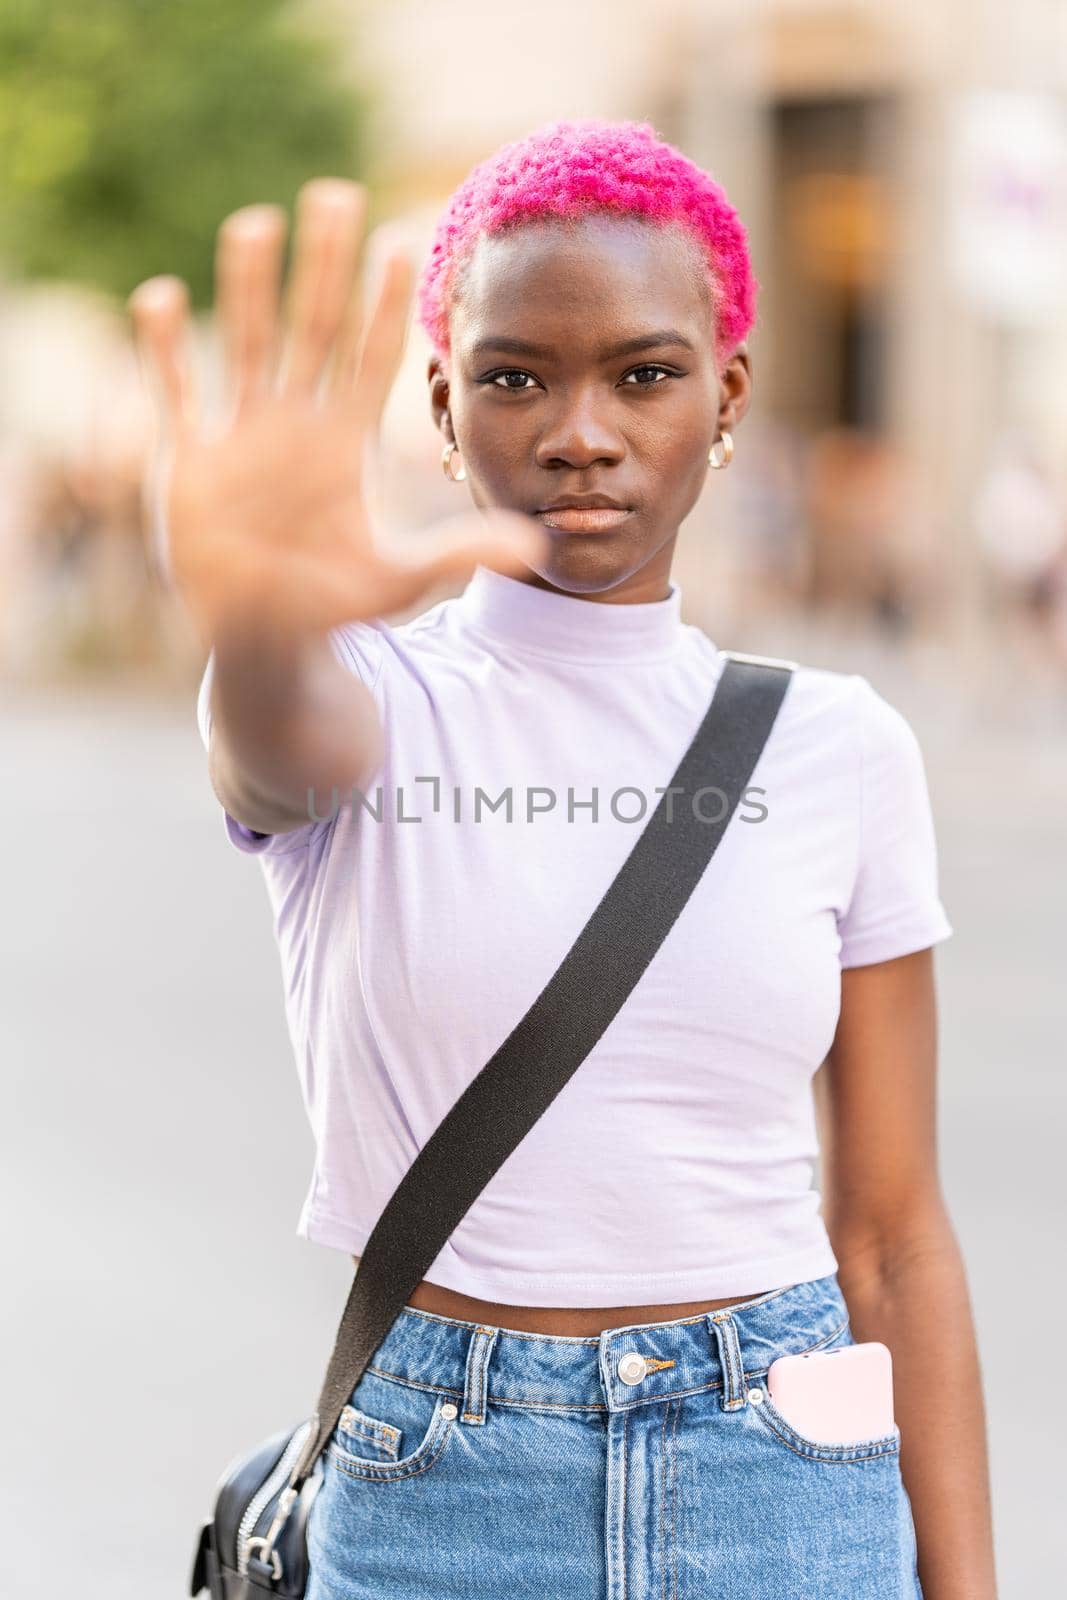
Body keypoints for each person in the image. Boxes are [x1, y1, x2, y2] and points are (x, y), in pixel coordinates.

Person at [129, 119, 997, 1600]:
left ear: (723, 399)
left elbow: (893, 1230)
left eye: (643, 375)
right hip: (444, 1482)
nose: (578, 429)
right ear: (442, 403)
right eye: (514, 375)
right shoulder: (369, 704)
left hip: (787, 1475)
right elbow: (273, 742)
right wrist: (256, 615)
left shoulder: (841, 748)